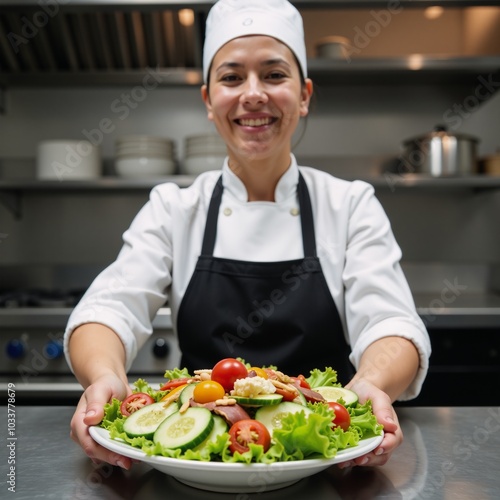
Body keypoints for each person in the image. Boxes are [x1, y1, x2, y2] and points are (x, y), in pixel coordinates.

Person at [65, 0, 431, 471]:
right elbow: (109, 309)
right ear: (207, 100)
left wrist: (369, 390)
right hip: (197, 457)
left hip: (324, 460)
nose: (253, 94)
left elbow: (390, 322)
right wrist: (105, 376)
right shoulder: (174, 208)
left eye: (275, 75)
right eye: (232, 77)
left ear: (304, 95)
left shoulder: (350, 204)